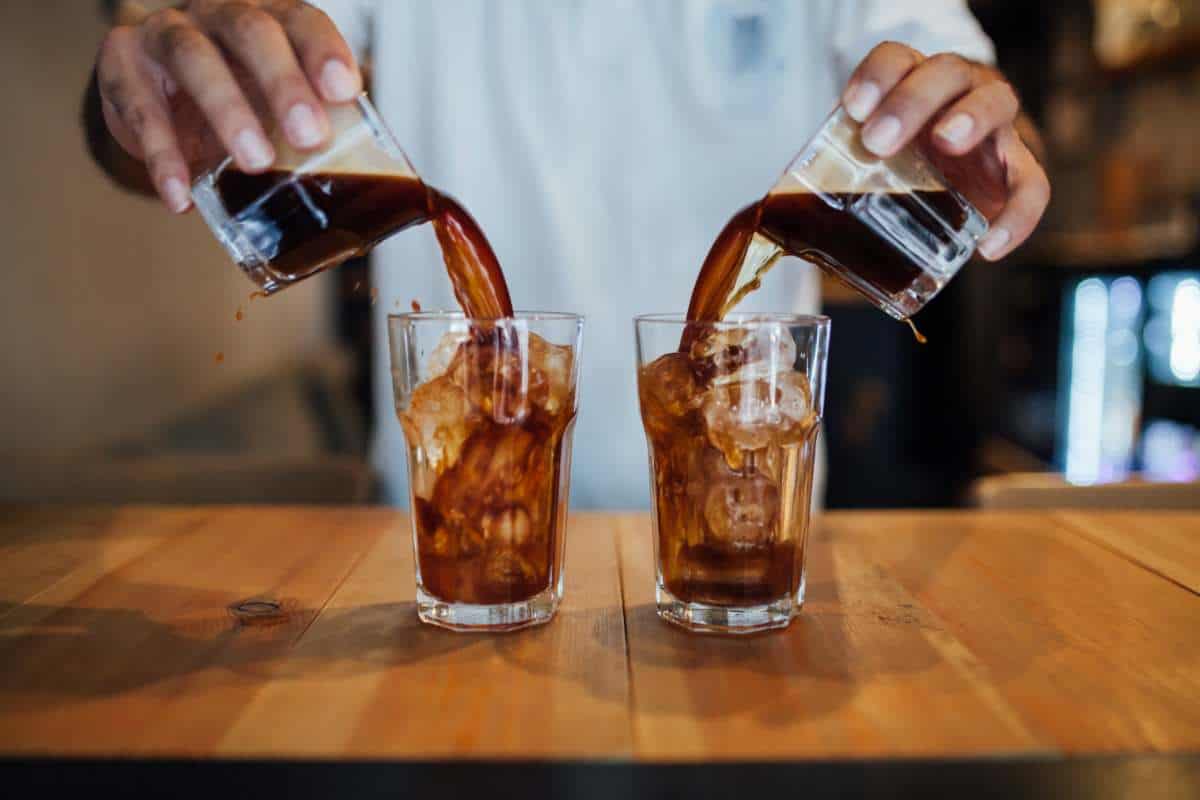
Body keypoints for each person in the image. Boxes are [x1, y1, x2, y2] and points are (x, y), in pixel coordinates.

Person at [85, 0, 1049, 508]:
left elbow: (977, 104)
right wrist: (149, 108)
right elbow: (171, 99)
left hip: (746, 532)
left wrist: (986, 136)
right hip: (432, 541)